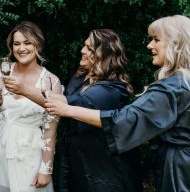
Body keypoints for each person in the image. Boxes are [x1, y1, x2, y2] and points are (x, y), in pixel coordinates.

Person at [45, 15, 190, 192]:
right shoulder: (183, 82)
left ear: (176, 44)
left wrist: (68, 110)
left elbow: (124, 120)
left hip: (179, 168)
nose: (149, 45)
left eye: (156, 40)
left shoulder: (174, 86)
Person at [6, 29, 143, 192]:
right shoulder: (81, 76)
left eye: (89, 48)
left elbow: (71, 103)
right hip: (76, 156)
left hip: (103, 165)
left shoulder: (113, 88)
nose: (82, 50)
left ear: (103, 54)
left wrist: (25, 90)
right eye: (84, 46)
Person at [0, 21, 62, 192]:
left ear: (37, 44)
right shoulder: (2, 70)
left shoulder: (51, 81)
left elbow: (50, 129)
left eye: (27, 43)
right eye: (17, 43)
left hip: (27, 153)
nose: (21, 48)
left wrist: (46, 169)